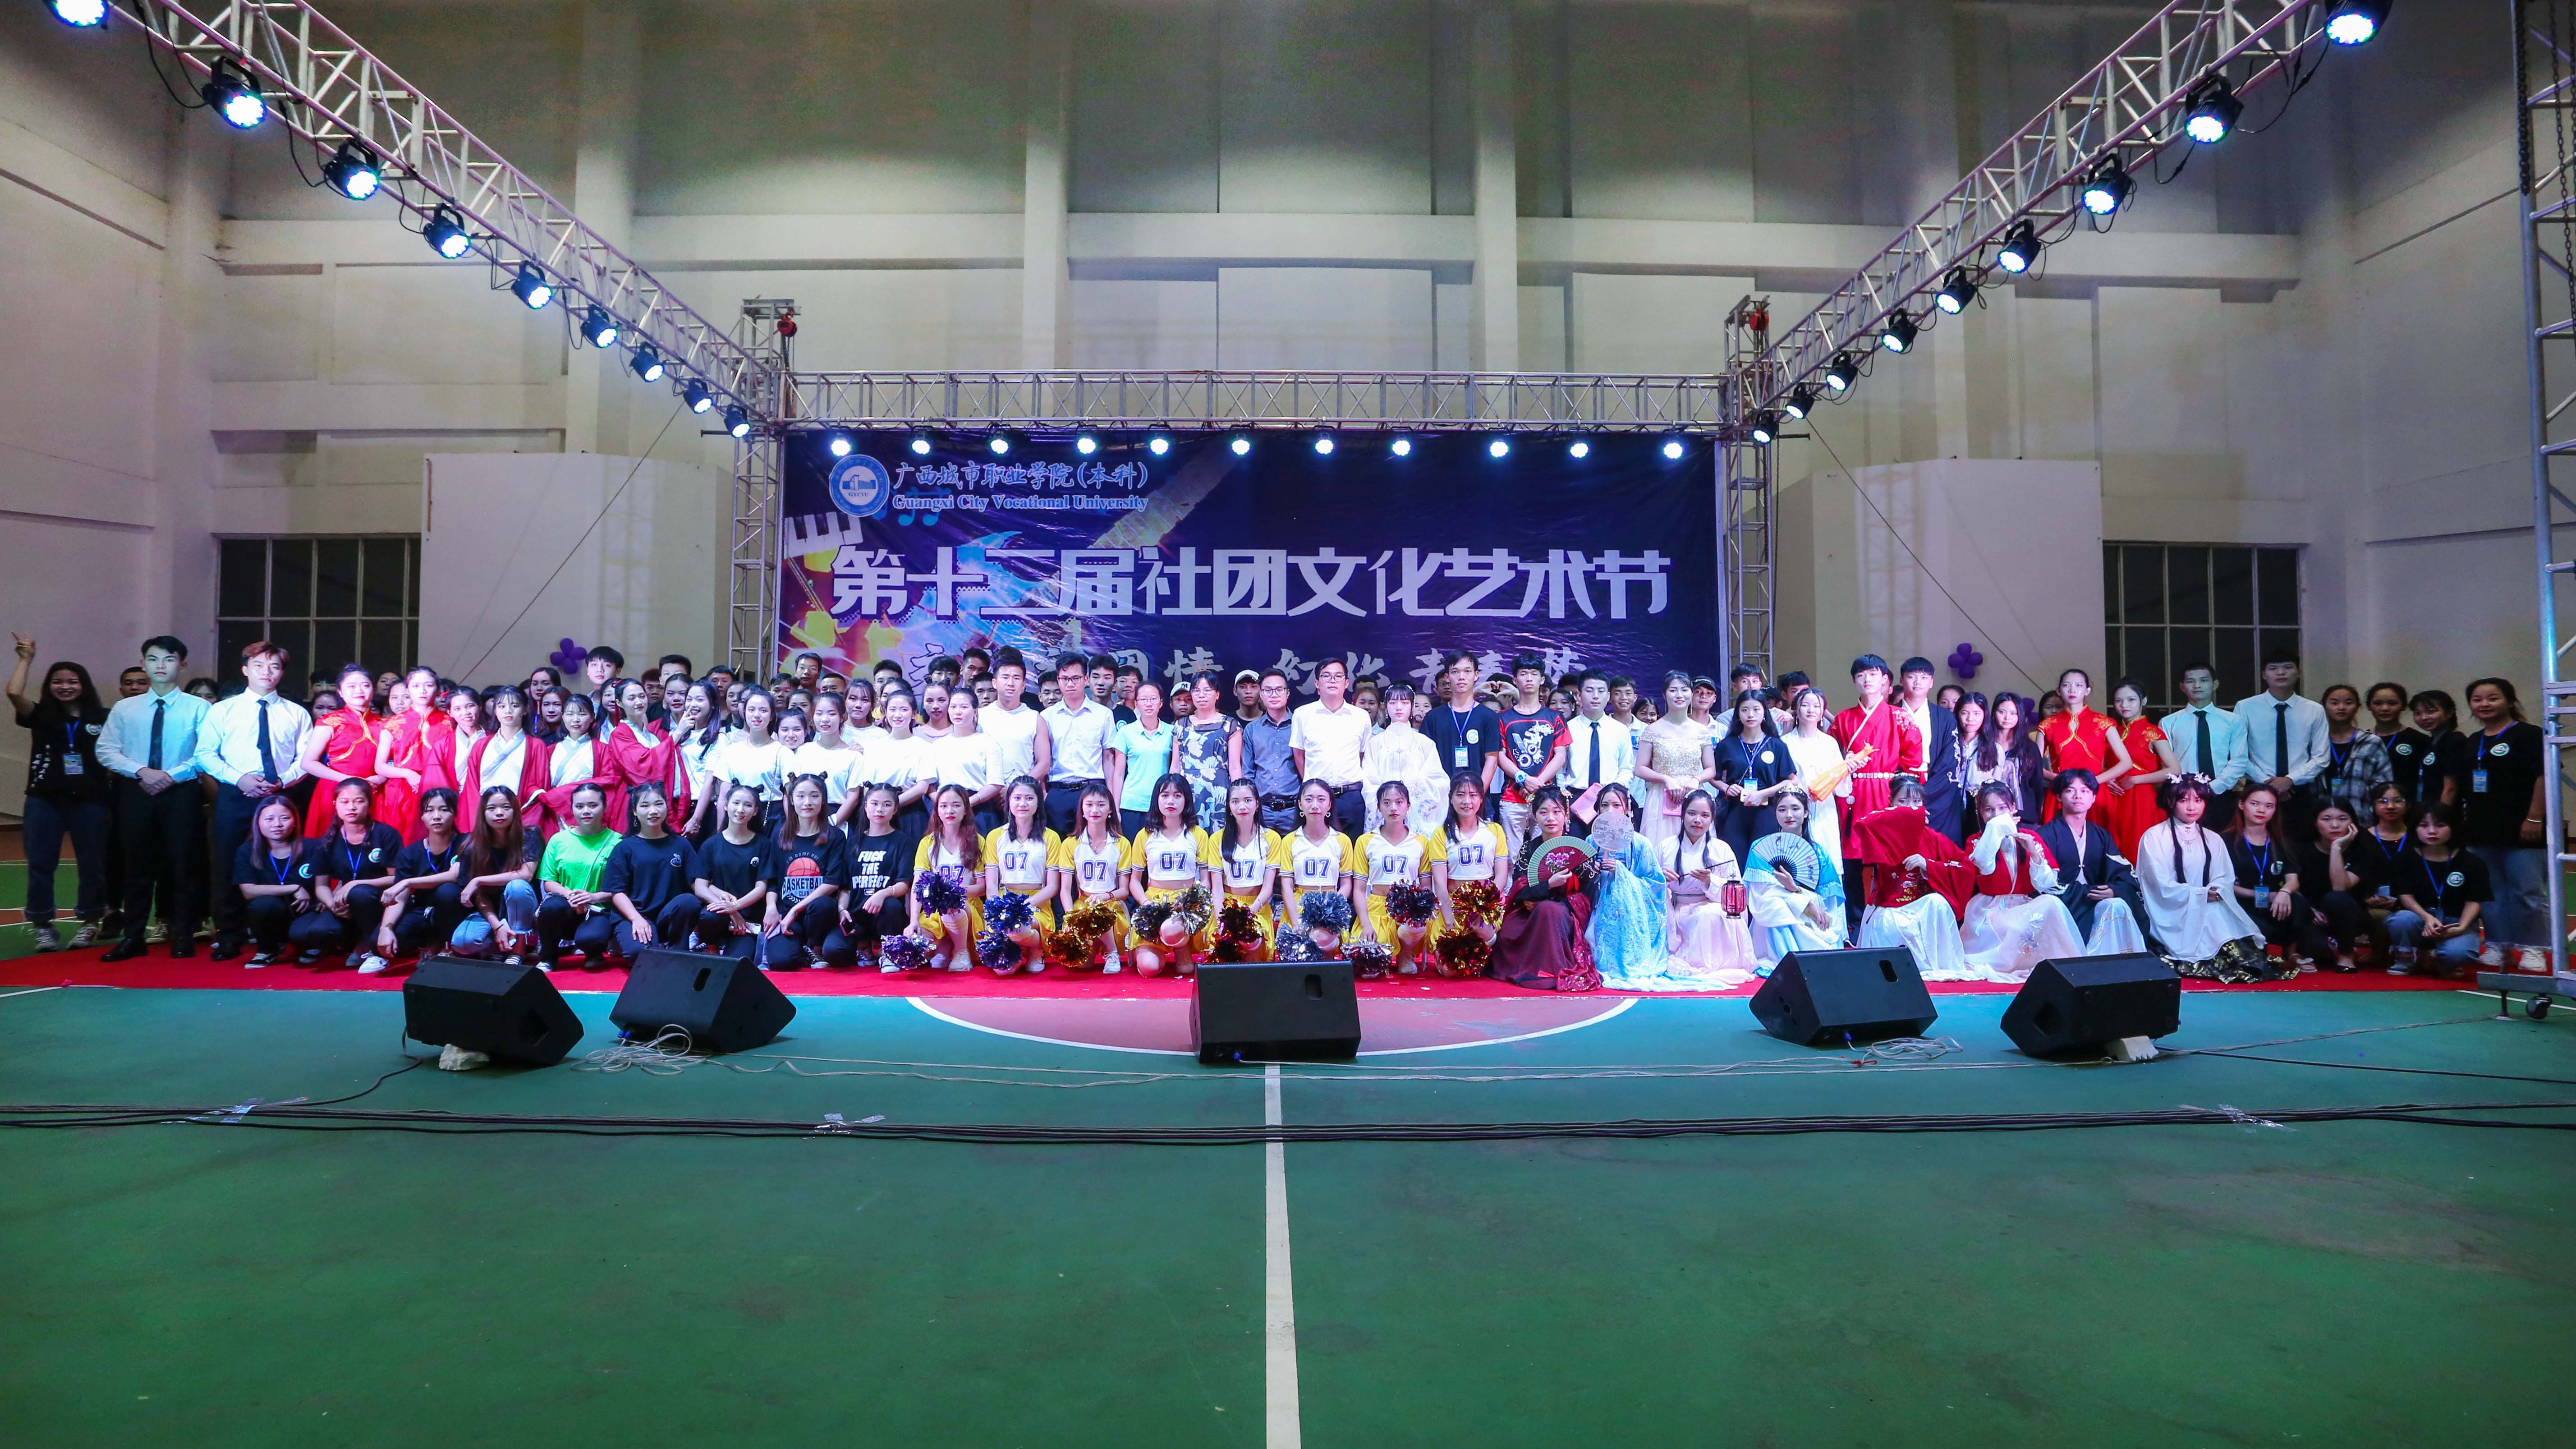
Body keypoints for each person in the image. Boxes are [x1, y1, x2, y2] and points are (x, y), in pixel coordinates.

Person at [188, 641, 312, 959]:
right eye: (259, 666)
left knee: (284, 860)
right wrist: (238, 778)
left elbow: (306, 758)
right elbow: (205, 754)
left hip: (281, 794)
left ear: (282, 673)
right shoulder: (223, 710)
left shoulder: (296, 713)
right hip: (237, 792)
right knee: (227, 862)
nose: (266, 672)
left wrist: (283, 780)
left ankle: (281, 932)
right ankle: (229, 934)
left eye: (274, 666)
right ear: (245, 670)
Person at [96, 635, 211, 961]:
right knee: (136, 866)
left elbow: (206, 752)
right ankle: (133, 937)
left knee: (184, 865)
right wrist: (142, 771)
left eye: (169, 659)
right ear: (143, 663)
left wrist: (171, 776)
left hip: (182, 792)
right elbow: (105, 750)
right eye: (153, 659)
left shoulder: (199, 707)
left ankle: (184, 934)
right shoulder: (125, 708)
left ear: (182, 665)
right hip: (136, 791)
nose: (161, 666)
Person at [8, 640, 112, 952]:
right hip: (45, 799)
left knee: (92, 863)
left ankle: (90, 922)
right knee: (40, 863)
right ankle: (43, 926)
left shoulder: (103, 717)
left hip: (91, 800)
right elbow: (14, 693)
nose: (65, 687)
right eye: (58, 681)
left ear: (84, 685)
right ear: (49, 686)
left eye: (72, 681)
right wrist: (26, 659)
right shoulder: (40, 714)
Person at [2135, 777, 2270, 979]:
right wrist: (2199, 895)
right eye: (2184, 801)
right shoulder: (2154, 837)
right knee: (2212, 918)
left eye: (2198, 800)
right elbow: (2158, 883)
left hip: (2208, 904)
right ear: (2170, 802)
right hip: (2171, 910)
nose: (2192, 807)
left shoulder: (2213, 838)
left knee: (2220, 920)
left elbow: (2224, 876)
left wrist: (2215, 890)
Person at [2458, 677, 2550, 972]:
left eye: (2492, 698)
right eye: (2477, 700)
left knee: (2527, 892)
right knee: (2491, 892)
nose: (2484, 704)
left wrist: (2534, 818)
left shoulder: (2529, 735)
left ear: (2510, 701)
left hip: (2523, 829)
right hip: (2481, 830)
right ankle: (2498, 944)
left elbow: (2543, 777)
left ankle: (2533, 947)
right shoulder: (2473, 741)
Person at [1957, 783, 2089, 981]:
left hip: (2023, 905)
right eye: (1989, 810)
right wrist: (1994, 832)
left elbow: (2045, 883)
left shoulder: (2031, 837)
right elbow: (1985, 868)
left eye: (2002, 808)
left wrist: (2033, 852)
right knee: (2014, 927)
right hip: (1990, 909)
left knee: (2051, 903)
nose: (1996, 815)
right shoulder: (1977, 842)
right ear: (1981, 814)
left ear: (2013, 808)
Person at [1851, 776, 1977, 981]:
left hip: (1922, 905)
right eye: (1903, 802)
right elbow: (1863, 823)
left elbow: (1965, 867)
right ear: (1891, 802)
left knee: (1938, 902)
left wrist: (1929, 865)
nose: (1911, 807)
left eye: (1917, 802)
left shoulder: (1932, 837)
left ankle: (1939, 963)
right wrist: (1905, 815)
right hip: (1890, 906)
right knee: (1886, 922)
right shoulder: (1880, 834)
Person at [1487, 787, 1601, 992]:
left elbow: (1589, 892)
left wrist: (1554, 895)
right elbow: (1520, 887)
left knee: (1549, 910)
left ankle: (1549, 971)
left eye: (1557, 812)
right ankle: (1524, 967)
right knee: (1508, 930)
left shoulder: (1578, 849)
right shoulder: (1529, 849)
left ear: (1566, 815)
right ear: (1534, 816)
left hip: (1566, 911)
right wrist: (1545, 887)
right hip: (1531, 909)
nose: (1551, 818)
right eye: (1543, 812)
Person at [287, 777, 402, 972]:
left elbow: (396, 879)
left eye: (359, 801)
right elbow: (321, 886)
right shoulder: (328, 840)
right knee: (308, 933)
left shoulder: (385, 834)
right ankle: (353, 942)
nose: (352, 807)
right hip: (346, 903)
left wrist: (353, 884)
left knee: (360, 893)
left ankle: (371, 946)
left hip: (379, 900)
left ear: (369, 804)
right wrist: (333, 906)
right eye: (345, 802)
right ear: (335, 805)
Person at [2035, 770, 2149, 955]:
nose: (2078, 796)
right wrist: (2086, 892)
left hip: (2096, 900)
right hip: (2062, 903)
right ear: (2059, 797)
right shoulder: (2045, 835)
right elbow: (2043, 883)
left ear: (2094, 798)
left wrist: (2115, 890)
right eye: (2070, 791)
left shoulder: (2102, 836)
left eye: (2085, 791)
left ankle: (2116, 962)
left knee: (2117, 905)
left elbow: (2123, 872)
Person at [1654, 791, 1759, 987]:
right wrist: (1660, 879)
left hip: (1709, 905)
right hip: (1675, 909)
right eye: (1692, 814)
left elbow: (1736, 894)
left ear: (1712, 820)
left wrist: (1711, 882)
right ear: (1683, 815)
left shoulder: (1722, 849)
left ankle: (1712, 965)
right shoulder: (1665, 847)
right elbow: (1649, 887)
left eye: (1705, 815)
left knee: (1711, 914)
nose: (1698, 820)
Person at [1829, 656, 1925, 858]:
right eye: (1861, 675)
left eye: (1873, 674)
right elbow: (1831, 757)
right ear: (1854, 681)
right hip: (1852, 791)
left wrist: (1904, 796)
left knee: (1888, 851)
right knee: (1854, 852)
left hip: (1888, 792)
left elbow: (1913, 761)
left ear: (1884, 679)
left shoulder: (1900, 717)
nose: (1867, 680)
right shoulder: (1843, 719)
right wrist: (1846, 761)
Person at [2232, 649, 2329, 841]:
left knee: (2300, 844)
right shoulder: (2245, 707)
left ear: (2299, 672)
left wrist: (2290, 780)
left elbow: (2322, 757)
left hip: (2299, 791)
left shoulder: (2314, 710)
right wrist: (2270, 784)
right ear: (2264, 675)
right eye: (2273, 668)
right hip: (2257, 789)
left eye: (2288, 668)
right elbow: (2237, 753)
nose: (2281, 673)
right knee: (2258, 843)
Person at [1126, 774, 1216, 977]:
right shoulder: (1145, 835)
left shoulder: (1198, 834)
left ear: (1186, 800)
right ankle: (1158, 946)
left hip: (1187, 903)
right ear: (1156, 800)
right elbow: (1135, 882)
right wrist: (1147, 904)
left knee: (1184, 965)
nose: (1171, 801)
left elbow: (1206, 879)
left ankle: (1182, 947)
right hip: (1155, 902)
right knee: (1148, 969)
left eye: (1177, 796)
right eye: (1165, 795)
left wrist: (1191, 902)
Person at [1583, 785, 1673, 988]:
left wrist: (1622, 873)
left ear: (1627, 809)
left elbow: (1655, 884)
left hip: (1632, 909)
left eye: (1617, 805)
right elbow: (1581, 880)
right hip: (1597, 904)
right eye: (1605, 805)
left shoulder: (1641, 843)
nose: (1610, 811)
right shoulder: (1591, 841)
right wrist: (1591, 872)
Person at [757, 774, 849, 970]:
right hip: (788, 913)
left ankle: (815, 947)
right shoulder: (779, 836)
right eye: (801, 796)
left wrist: (795, 910)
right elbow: (772, 881)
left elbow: (832, 883)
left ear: (823, 800)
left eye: (814, 796)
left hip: (819, 914)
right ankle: (800, 949)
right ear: (791, 800)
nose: (808, 802)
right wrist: (771, 908)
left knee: (823, 904)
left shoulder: (835, 836)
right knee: (780, 962)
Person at [2388, 801, 2491, 978]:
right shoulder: (2404, 859)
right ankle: (2407, 957)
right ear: (2414, 828)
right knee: (2401, 920)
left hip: (2455, 921)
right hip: (2419, 919)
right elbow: (2405, 896)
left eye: (2440, 825)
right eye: (2424, 825)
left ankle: (2441, 959)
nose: (2432, 831)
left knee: (2461, 954)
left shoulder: (2473, 862)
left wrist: (2462, 927)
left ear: (2453, 827)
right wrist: (2427, 917)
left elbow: (2474, 901)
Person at [1745, 791, 1846, 970]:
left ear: (1806, 812)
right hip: (1773, 916)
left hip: (1810, 918)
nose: (1789, 815)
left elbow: (1828, 904)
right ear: (1775, 814)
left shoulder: (1820, 854)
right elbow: (1759, 895)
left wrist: (1801, 896)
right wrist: (1801, 898)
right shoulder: (1760, 849)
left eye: (1795, 809)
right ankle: (1786, 964)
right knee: (1775, 905)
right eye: (1782, 810)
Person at [531, 781, 621, 967]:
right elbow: (549, 882)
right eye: (579, 807)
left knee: (591, 939)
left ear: (605, 807)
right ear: (572, 809)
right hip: (566, 907)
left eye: (593, 806)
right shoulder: (559, 840)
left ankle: (594, 953)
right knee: (551, 907)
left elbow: (622, 888)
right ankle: (548, 958)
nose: (586, 811)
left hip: (599, 910)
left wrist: (592, 897)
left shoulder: (618, 842)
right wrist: (572, 896)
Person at [1347, 780, 1433, 974]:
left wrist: (1420, 914)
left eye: (1399, 802)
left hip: (1408, 910)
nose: (1393, 808)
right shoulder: (1366, 841)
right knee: (1369, 970)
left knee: (1414, 928)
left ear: (1408, 806)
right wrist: (1366, 924)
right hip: (1377, 908)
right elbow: (1359, 889)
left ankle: (1406, 953)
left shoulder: (1421, 842)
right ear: (1379, 807)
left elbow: (1426, 887)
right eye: (1387, 803)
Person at [1490, 654, 1570, 857]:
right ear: (1515, 680)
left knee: (1547, 856)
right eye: (1523, 674)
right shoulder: (1502, 718)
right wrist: (1524, 779)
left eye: (1534, 674)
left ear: (1542, 680)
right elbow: (1500, 756)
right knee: (1511, 857)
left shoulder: (1555, 717)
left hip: (1547, 799)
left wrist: (1537, 784)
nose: (1529, 679)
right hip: (1512, 797)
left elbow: (1560, 756)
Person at [449, 786, 541, 961]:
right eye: (492, 808)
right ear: (483, 813)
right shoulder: (472, 846)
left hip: (523, 907)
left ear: (515, 811)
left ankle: (518, 951)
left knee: (517, 887)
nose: (499, 813)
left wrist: (478, 880)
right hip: (490, 911)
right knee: (463, 943)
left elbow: (526, 874)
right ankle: (499, 943)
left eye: (506, 807)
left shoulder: (530, 836)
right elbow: (479, 896)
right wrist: (497, 926)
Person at [295, 663, 386, 839]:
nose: (359, 690)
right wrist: (350, 781)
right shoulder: (329, 721)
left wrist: (380, 778)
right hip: (335, 789)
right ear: (340, 692)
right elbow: (308, 763)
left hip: (374, 789)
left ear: (373, 689)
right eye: (351, 686)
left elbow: (394, 761)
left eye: (365, 685)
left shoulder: (386, 724)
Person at [377, 788, 468, 962]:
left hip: (457, 909)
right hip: (423, 910)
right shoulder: (409, 853)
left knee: (447, 891)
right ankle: (425, 942)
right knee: (383, 943)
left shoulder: (467, 843)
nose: (436, 816)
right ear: (422, 817)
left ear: (455, 813)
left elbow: (454, 876)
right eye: (429, 811)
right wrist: (386, 929)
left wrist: (407, 882)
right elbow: (400, 898)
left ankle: (445, 945)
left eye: (444, 810)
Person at [907, 783, 988, 972]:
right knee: (914, 944)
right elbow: (918, 885)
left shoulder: (977, 841)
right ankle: (944, 946)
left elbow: (982, 887)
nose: (950, 811)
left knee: (951, 906)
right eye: (943, 806)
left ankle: (961, 951)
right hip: (934, 911)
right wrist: (914, 921)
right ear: (937, 810)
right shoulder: (927, 843)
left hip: (966, 907)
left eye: (956, 805)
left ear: (966, 809)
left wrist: (952, 894)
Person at [1052, 782, 1133, 972]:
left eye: (1101, 805)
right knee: (1081, 966)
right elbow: (1065, 890)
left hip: (1112, 908)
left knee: (1097, 911)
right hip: (1082, 907)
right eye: (1089, 805)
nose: (1095, 810)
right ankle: (1096, 946)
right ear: (1082, 809)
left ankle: (1112, 952)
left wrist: (1105, 897)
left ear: (1110, 810)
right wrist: (1071, 916)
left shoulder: (1121, 844)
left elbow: (1124, 891)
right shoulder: (1070, 844)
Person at [984, 776, 1061, 973]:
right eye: (1017, 798)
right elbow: (991, 884)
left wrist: (1024, 906)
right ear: (1009, 801)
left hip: (1036, 904)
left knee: (1018, 925)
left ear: (1038, 803)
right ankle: (1016, 951)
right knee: (1003, 972)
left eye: (1029, 798)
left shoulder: (1050, 837)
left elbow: (1053, 886)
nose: (1023, 804)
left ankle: (1036, 948)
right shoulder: (995, 836)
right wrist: (999, 907)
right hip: (1004, 902)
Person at [2160, 662, 2250, 831]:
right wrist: (2186, 790)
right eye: (2191, 681)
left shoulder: (2233, 721)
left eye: (2204, 680)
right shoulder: (2169, 722)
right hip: (2182, 796)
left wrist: (2214, 787)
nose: (2197, 686)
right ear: (2182, 687)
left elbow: (2239, 760)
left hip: (2222, 794)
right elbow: (2166, 763)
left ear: (2215, 684)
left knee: (2223, 840)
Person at [2036, 668, 2133, 823]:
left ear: (2088, 691)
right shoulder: (2047, 725)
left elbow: (2126, 762)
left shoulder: (2104, 723)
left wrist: (2094, 782)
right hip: (2061, 792)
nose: (2072, 690)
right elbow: (2034, 766)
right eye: (2067, 685)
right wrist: (2058, 779)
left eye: (2079, 685)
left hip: (2095, 792)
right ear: (2059, 691)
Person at [1710, 690, 1795, 865]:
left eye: (1756, 709)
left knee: (1763, 863)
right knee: (1735, 863)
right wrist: (1727, 788)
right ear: (1738, 714)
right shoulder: (1727, 745)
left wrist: (1763, 794)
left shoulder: (1776, 745)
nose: (1751, 715)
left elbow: (1792, 780)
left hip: (1767, 811)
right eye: (1745, 710)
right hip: (1734, 811)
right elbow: (1712, 775)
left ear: (1765, 713)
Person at [687, 784, 771, 961]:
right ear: (725, 805)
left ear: (755, 811)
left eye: (748, 805)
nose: (741, 810)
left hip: (747, 921)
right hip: (719, 915)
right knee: (708, 916)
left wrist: (737, 906)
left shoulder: (763, 844)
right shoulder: (711, 844)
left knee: (738, 962)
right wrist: (731, 910)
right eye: (736, 803)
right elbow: (700, 887)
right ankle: (711, 948)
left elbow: (762, 887)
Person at [1290, 658, 1373, 837]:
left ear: (1347, 683)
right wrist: (1313, 785)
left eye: (1338, 676)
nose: (1332, 680)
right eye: (1326, 676)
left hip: (1351, 795)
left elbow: (1364, 755)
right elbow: (1299, 754)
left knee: (1352, 848)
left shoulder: (1360, 716)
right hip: (1316, 797)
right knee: (1317, 845)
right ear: (1317, 683)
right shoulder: (1303, 714)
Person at [837, 783, 914, 968]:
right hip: (858, 914)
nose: (880, 809)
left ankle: (889, 952)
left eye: (887, 805)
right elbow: (846, 887)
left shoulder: (903, 842)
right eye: (874, 804)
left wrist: (882, 894)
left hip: (887, 914)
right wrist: (842, 909)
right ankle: (864, 948)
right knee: (835, 952)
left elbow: (904, 884)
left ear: (895, 810)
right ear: (865, 807)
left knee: (891, 905)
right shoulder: (853, 842)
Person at [1635, 671, 1716, 847]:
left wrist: (1697, 779)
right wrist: (1665, 779)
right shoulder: (1652, 730)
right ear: (1665, 695)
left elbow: (1711, 769)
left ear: (1691, 694)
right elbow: (1640, 768)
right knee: (1661, 848)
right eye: (1673, 690)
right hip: (1661, 797)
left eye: (1684, 690)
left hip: (1693, 795)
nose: (1679, 695)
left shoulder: (1701, 731)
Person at [230, 794, 309, 967]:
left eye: (285, 818)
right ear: (258, 822)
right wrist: (294, 888)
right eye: (270, 819)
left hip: (305, 912)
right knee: (263, 904)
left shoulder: (312, 847)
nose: (277, 824)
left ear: (295, 821)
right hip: (271, 914)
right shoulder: (247, 851)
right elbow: (249, 891)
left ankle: (310, 946)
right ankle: (266, 951)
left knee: (320, 930)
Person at [1039, 655, 1115, 834]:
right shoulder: (1047, 716)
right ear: (1059, 680)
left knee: (1093, 844)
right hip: (1058, 792)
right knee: (1057, 847)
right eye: (1065, 679)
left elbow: (1108, 759)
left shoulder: (1103, 714)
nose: (1070, 684)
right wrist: (1045, 795)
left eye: (1076, 678)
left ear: (1086, 680)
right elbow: (1042, 760)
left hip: (1093, 791)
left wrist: (1111, 796)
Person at [1774, 686, 1849, 867]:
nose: (1811, 710)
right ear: (1796, 709)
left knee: (1826, 852)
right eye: (1805, 705)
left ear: (1823, 712)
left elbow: (1842, 789)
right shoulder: (1785, 743)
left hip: (1824, 807)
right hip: (1794, 806)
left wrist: (1847, 769)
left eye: (1816, 706)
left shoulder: (1830, 743)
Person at [1361, 683, 1449, 836]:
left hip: (1415, 813)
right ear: (1386, 707)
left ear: (1412, 706)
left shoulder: (1424, 743)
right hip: (1385, 811)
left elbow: (1439, 781)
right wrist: (1388, 799)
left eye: (1404, 703)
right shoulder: (1374, 743)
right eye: (1393, 703)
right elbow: (1369, 782)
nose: (1399, 708)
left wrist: (1410, 789)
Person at [1275, 777, 1359, 937]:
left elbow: (1346, 885)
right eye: (1309, 800)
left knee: (1324, 940)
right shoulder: (1290, 841)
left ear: (1330, 805)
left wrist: (1330, 911)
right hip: (1299, 908)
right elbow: (1287, 887)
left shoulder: (1342, 840)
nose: (1315, 805)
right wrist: (1297, 923)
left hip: (1331, 907)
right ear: (1300, 805)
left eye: (1321, 800)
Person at [2101, 680, 2174, 861]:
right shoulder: (2111, 732)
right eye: (2118, 701)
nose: (2124, 705)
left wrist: (2135, 780)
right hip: (2113, 796)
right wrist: (2107, 778)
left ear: (2144, 701)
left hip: (2142, 798)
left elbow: (2175, 770)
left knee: (2139, 848)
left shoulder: (2153, 732)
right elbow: (2102, 765)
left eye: (2131, 700)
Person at [376, 664, 447, 843]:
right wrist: (408, 774)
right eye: (416, 686)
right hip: (401, 790)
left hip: (440, 788)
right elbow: (380, 766)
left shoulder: (450, 722)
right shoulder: (392, 724)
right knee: (402, 841)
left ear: (438, 689)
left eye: (429, 685)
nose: (422, 691)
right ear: (408, 690)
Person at [1212, 778, 1282, 958]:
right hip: (1226, 907)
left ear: (1257, 804)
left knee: (1250, 943)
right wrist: (1223, 920)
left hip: (1257, 907)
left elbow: (1268, 888)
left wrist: (1247, 915)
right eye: (1236, 802)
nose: (1242, 806)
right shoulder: (1217, 839)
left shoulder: (1271, 838)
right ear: (1229, 807)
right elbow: (1217, 889)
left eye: (1248, 800)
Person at [533, 692, 619, 841]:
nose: (576, 720)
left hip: (587, 810)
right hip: (555, 813)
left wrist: (560, 793)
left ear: (592, 717)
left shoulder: (603, 750)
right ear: (563, 716)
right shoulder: (549, 750)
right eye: (570, 714)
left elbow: (609, 780)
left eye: (582, 714)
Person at [463, 686, 549, 832]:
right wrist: (480, 818)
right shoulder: (481, 745)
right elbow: (472, 786)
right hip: (485, 815)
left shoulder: (536, 746)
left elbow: (539, 787)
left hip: (521, 815)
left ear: (525, 709)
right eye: (502, 706)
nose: (508, 711)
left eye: (515, 706)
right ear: (495, 711)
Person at [1421, 649, 1503, 802]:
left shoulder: (1489, 716)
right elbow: (1425, 761)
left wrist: (1476, 796)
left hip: (1479, 801)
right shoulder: (1433, 718)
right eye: (1455, 672)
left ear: (1476, 675)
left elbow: (1492, 760)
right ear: (1447, 677)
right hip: (1441, 800)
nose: (1462, 677)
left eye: (1467, 671)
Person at [1558, 671, 1636, 829]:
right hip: (1576, 801)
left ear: (1608, 696)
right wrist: (1564, 798)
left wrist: (1613, 792)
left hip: (1610, 801)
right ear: (1579, 695)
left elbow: (1626, 769)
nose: (1595, 696)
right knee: (1577, 844)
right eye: (1589, 691)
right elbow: (1560, 770)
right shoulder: (1567, 729)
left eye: (1601, 691)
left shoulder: (1620, 730)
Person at [2303, 800, 2374, 970]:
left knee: (2337, 898)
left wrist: (2336, 848)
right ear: (2315, 823)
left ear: (2353, 822)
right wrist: (2309, 910)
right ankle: (2329, 946)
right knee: (2315, 950)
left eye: (2342, 819)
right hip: (2312, 915)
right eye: (2326, 819)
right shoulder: (2302, 846)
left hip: (2351, 914)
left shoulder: (2364, 845)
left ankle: (2346, 954)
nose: (2335, 825)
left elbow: (2340, 888)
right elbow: (2291, 884)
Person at [1896, 658, 1963, 837]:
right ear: (1902, 680)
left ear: (1932, 683)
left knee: (1936, 843)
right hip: (1896, 786)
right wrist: (1902, 792)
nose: (1918, 682)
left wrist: (1922, 794)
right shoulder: (1888, 713)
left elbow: (1949, 760)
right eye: (1912, 677)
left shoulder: (1945, 718)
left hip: (1935, 787)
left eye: (1924, 678)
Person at [1171, 670, 1242, 832]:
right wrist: (1173, 794)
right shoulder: (1180, 726)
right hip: (1187, 790)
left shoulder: (1230, 725)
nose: (1201, 695)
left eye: (1207, 690)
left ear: (1217, 695)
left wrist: (1239, 797)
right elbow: (1175, 766)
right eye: (1196, 691)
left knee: (1220, 837)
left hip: (1219, 790)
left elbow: (1235, 767)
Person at [1105, 679, 1178, 835]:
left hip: (1162, 804)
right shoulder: (1126, 732)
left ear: (1161, 703)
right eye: (1144, 699)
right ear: (1136, 704)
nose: (1149, 704)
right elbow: (1119, 774)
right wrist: (1116, 808)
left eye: (1153, 699)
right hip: (1132, 804)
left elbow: (1175, 769)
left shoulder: (1172, 732)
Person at [2319, 684, 2395, 821]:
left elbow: (2384, 787)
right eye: (2334, 703)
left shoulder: (2371, 742)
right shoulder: (2316, 742)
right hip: (2320, 819)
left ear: (2358, 707)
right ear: (2324, 706)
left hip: (2360, 817)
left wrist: (2370, 812)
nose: (2341, 708)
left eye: (2348, 703)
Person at [1240, 670, 1302, 831]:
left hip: (1294, 809)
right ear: (1261, 695)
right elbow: (1248, 772)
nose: (1274, 694)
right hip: (1262, 810)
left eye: (1279, 689)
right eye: (1268, 690)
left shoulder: (1301, 725)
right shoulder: (1252, 729)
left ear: (1288, 693)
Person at [981, 648, 1048, 789]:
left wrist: (1016, 788)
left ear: (1024, 685)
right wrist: (990, 790)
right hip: (984, 791)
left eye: (1016, 678)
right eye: (1005, 677)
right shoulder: (980, 717)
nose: (1011, 683)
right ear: (994, 683)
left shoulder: (1035, 718)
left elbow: (1043, 763)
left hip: (1022, 793)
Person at [2389, 690, 2466, 806]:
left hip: (2444, 810)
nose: (2424, 718)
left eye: (2431, 712)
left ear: (2449, 712)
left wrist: (2441, 814)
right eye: (2418, 713)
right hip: (2427, 807)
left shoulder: (2454, 741)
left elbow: (2451, 788)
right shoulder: (2431, 741)